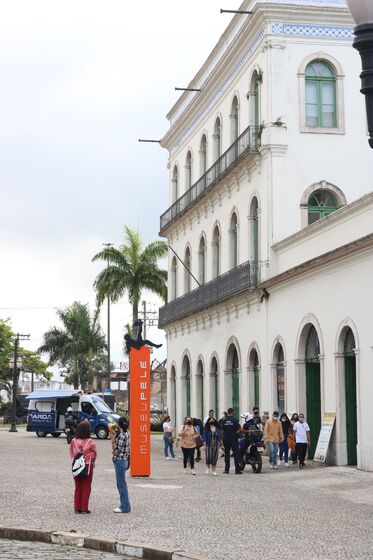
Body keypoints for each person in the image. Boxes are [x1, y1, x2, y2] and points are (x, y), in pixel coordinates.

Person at [69, 420, 97, 514]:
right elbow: (94, 454)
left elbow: (71, 453)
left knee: (78, 487)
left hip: (76, 465)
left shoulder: (73, 441)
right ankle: (84, 508)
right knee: (86, 486)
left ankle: (77, 508)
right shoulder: (90, 442)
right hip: (87, 465)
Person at [111, 416, 131, 512]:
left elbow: (116, 450)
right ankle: (126, 506)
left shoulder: (122, 435)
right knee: (122, 484)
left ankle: (124, 507)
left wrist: (112, 439)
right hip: (124, 460)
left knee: (121, 485)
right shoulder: (127, 433)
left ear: (119, 424)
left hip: (120, 460)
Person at [220, 408, 242, 474]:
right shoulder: (235, 420)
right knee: (236, 454)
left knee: (227, 454)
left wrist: (222, 440)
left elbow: (222, 431)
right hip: (234, 439)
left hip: (226, 439)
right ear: (232, 412)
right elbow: (239, 429)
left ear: (228, 412)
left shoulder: (224, 420)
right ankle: (237, 470)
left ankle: (226, 470)